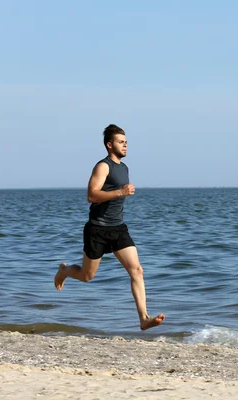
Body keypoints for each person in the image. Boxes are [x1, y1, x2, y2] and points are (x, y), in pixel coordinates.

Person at [54, 124, 165, 331]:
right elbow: (91, 195)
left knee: (137, 270)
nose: (125, 145)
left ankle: (143, 318)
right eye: (121, 142)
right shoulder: (102, 166)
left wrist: (121, 193)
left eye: (126, 142)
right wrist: (120, 193)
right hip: (97, 229)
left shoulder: (124, 168)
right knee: (87, 276)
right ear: (109, 144)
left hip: (118, 229)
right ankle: (65, 270)